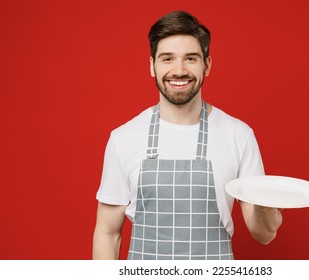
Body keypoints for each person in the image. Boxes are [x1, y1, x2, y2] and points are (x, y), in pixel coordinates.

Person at [92, 10, 282, 260]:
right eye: (167, 59)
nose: (179, 70)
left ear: (207, 65)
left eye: (191, 58)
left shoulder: (239, 135)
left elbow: (264, 234)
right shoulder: (123, 138)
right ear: (152, 66)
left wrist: (269, 199)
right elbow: (108, 233)